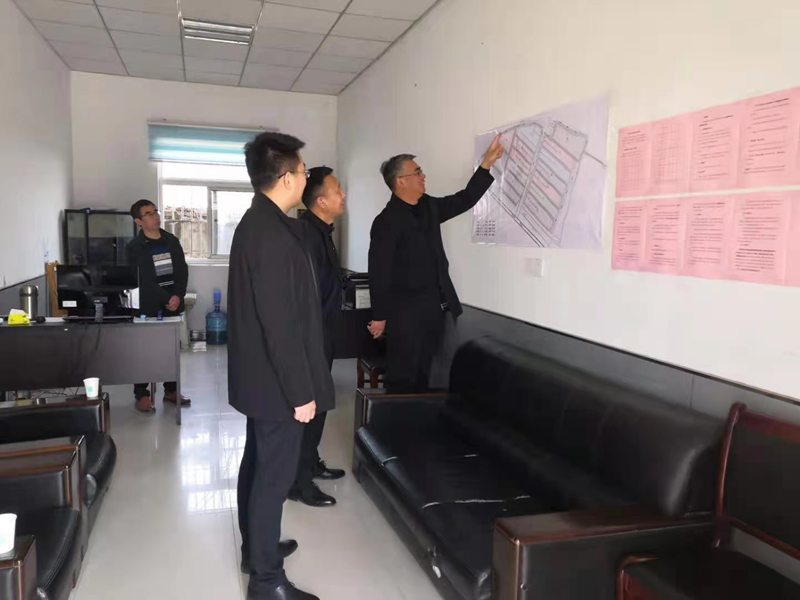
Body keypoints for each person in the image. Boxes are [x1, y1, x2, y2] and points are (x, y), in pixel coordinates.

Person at [229, 132, 334, 600]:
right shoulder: (270, 234)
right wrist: (301, 392)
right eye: (304, 171)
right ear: (287, 177)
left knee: (257, 464)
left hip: (260, 380)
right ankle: (267, 582)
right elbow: (281, 324)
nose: (307, 178)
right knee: (272, 479)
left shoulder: (260, 221)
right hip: (277, 385)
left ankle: (257, 550)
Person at [367, 136, 505, 392]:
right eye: (417, 172)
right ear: (401, 181)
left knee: (427, 376)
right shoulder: (386, 221)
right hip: (404, 315)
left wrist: (485, 166)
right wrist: (379, 315)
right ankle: (396, 417)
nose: (423, 176)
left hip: (436, 309)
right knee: (402, 377)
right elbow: (379, 271)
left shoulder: (429, 206)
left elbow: (464, 200)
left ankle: (420, 415)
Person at [288, 167, 347, 508]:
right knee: (308, 407)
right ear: (320, 201)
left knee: (320, 404)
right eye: (337, 190)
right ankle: (298, 482)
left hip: (324, 333)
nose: (343, 195)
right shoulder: (307, 236)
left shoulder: (322, 232)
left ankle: (310, 463)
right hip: (311, 337)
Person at [126, 199, 191, 414]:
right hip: (148, 305)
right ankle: (142, 394)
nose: (155, 216)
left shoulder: (171, 240)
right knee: (144, 351)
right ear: (138, 221)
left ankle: (171, 390)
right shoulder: (134, 247)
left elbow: (182, 270)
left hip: (173, 303)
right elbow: (142, 278)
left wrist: (178, 295)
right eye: (148, 213)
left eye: (155, 211)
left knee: (170, 349)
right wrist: (166, 297)